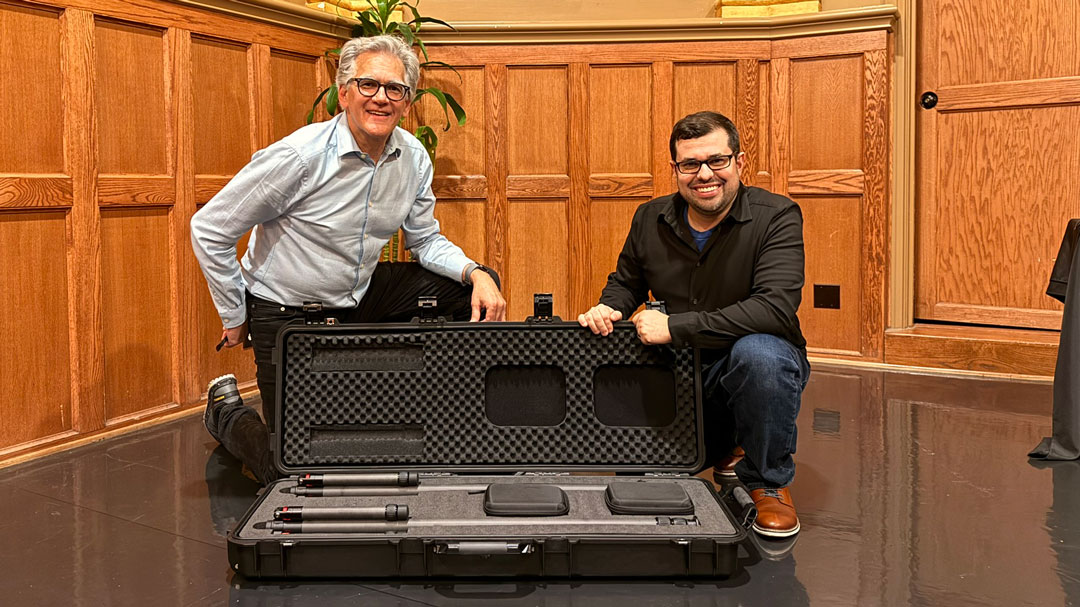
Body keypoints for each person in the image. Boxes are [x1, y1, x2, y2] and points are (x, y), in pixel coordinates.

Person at [191, 35, 505, 485]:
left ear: (408, 101)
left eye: (394, 89)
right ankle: (225, 412)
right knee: (291, 467)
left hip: (359, 295)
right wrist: (234, 312)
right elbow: (211, 228)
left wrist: (476, 273)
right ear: (343, 93)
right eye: (368, 84)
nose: (381, 97)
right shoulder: (299, 157)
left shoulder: (413, 158)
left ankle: (420, 411)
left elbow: (425, 240)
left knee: (471, 289)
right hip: (287, 310)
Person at [577, 111, 809, 537]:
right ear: (675, 170)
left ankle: (769, 481)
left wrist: (676, 326)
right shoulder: (650, 217)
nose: (704, 174)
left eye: (717, 161)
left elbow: (775, 308)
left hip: (745, 360)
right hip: (676, 370)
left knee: (760, 356)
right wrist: (608, 307)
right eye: (690, 164)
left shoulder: (776, 215)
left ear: (740, 161)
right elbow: (626, 282)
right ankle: (731, 444)